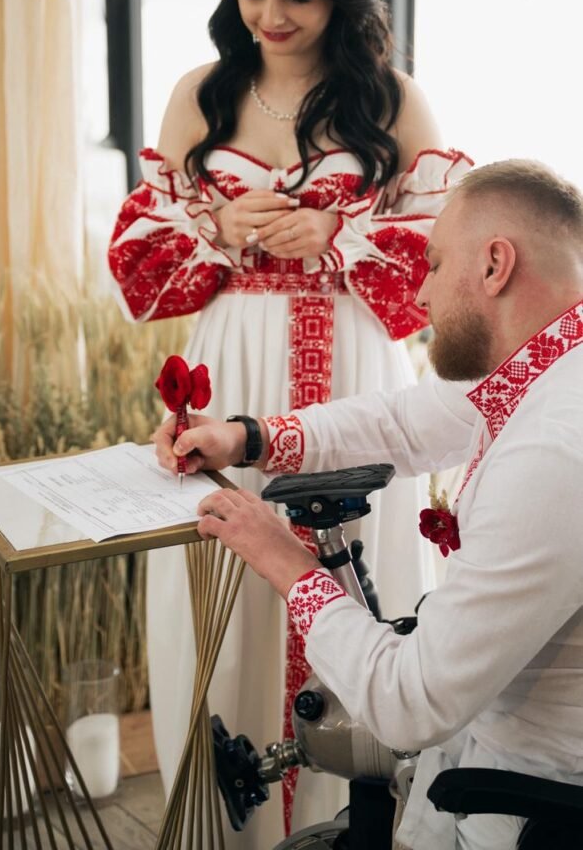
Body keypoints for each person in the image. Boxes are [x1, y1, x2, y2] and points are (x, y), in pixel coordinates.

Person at [108, 0, 471, 843]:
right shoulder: (201, 94)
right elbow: (139, 262)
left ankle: (347, 818)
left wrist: (341, 238)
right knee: (226, 568)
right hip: (231, 359)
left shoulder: (392, 100)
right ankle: (230, 819)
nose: (270, 16)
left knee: (356, 571)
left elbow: (441, 258)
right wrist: (219, 228)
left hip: (356, 365)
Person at [153, 160, 583, 850]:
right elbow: (405, 422)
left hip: (526, 805)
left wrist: (284, 561)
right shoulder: (550, 366)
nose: (421, 290)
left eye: (434, 264)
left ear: (495, 265)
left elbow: (409, 705)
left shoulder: (555, 453)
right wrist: (245, 437)